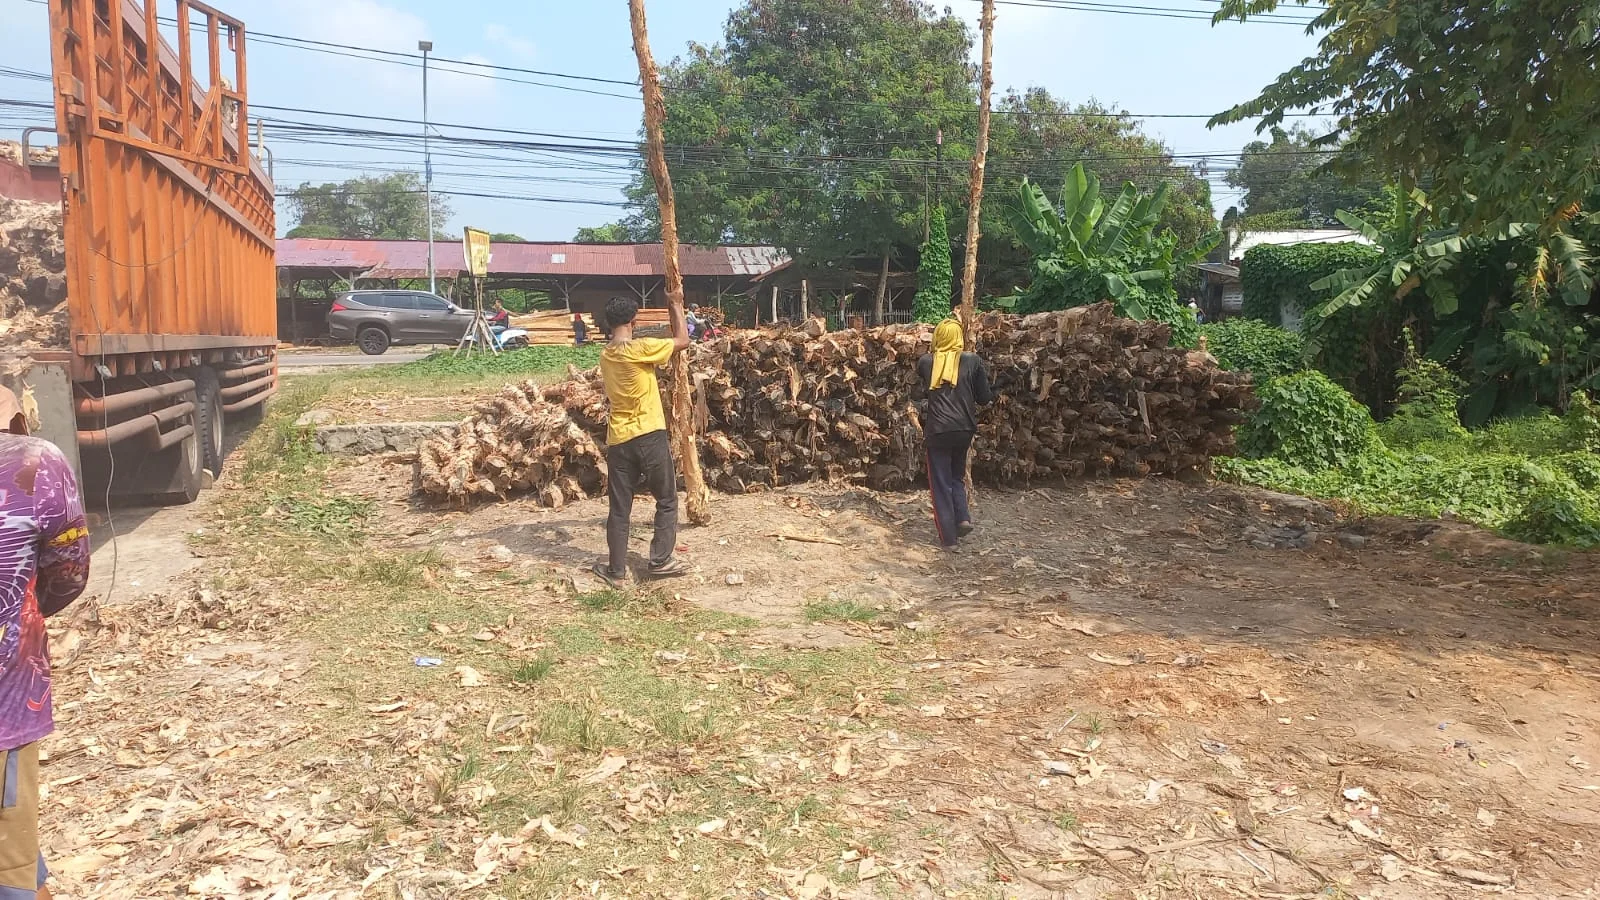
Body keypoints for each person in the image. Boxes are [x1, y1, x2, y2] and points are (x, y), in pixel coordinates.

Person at [0, 387, 90, 900]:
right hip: (7, 693)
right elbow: (69, 571)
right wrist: (21, 616)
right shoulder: (36, 462)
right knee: (7, 861)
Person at [592, 296, 692, 585]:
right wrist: (675, 305)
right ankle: (660, 560)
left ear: (610, 323)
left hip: (619, 439)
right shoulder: (642, 349)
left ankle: (616, 571)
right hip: (649, 433)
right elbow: (682, 340)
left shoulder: (606, 354)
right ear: (634, 322)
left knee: (620, 507)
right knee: (667, 498)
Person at [913, 319, 993, 551]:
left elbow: (920, 391)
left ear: (938, 337)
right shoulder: (972, 361)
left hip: (938, 430)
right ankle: (963, 519)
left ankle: (949, 539)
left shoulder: (927, 362)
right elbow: (984, 398)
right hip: (964, 429)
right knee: (956, 477)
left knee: (940, 484)